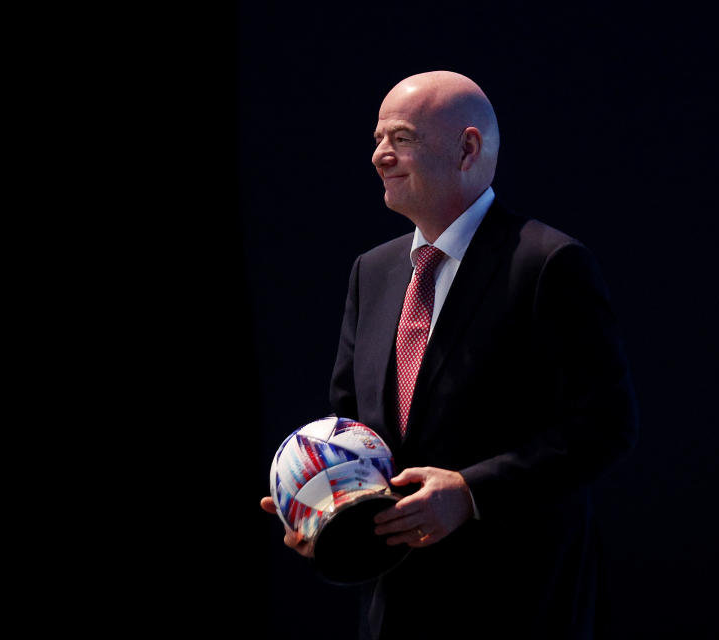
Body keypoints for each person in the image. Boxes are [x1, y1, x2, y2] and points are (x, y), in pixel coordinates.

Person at [261, 70, 638, 639]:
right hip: (396, 603)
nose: (379, 156)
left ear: (467, 148)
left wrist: (470, 494)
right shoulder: (374, 270)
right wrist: (324, 504)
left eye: (401, 138)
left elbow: (605, 426)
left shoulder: (547, 263)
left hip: (516, 603)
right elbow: (351, 425)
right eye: (377, 139)